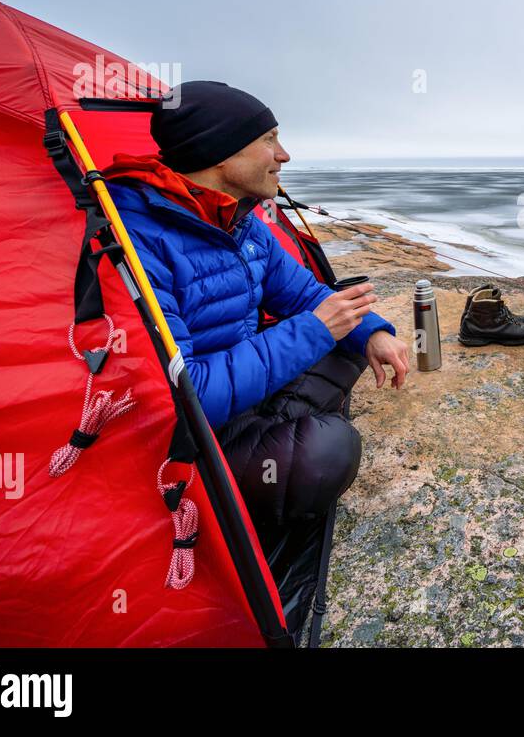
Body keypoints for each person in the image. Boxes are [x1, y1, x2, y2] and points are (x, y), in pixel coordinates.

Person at [103, 80, 410, 640]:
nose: (284, 155)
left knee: (349, 352)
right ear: (222, 153)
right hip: (196, 433)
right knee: (328, 450)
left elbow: (304, 294)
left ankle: (281, 421)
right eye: (270, 139)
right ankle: (269, 454)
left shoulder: (241, 222)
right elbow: (184, 394)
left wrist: (371, 333)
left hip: (245, 386)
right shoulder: (138, 240)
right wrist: (312, 333)